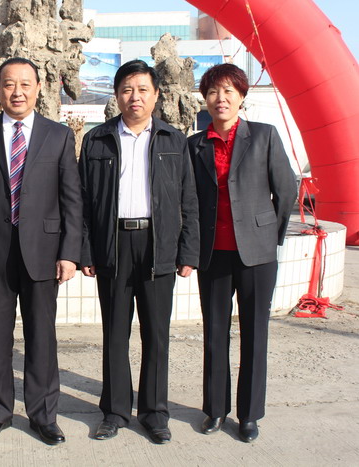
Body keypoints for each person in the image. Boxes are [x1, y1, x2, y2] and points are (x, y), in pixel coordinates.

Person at [0, 57, 82, 445]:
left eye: (25, 84)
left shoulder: (58, 135)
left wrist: (69, 252)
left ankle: (43, 415)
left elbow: (71, 198)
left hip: (44, 251)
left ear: (39, 88)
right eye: (9, 84)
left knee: (42, 336)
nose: (17, 92)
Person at [79, 60, 199, 444]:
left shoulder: (173, 140)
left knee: (156, 333)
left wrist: (188, 252)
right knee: (115, 332)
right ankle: (115, 411)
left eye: (143, 89)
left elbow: (189, 200)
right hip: (113, 244)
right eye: (127, 89)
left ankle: (154, 413)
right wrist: (86, 251)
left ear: (156, 95)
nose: (135, 97)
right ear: (116, 96)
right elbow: (83, 202)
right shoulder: (97, 140)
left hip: (157, 244)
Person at [187, 63, 296, 442]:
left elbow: (286, 191)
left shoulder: (264, 136)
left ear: (241, 96)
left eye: (228, 91)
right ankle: (215, 410)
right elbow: (190, 200)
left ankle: (249, 415)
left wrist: (268, 236)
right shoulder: (195, 145)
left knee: (254, 334)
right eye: (213, 91)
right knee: (215, 334)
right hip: (213, 255)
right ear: (205, 98)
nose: (221, 98)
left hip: (256, 256)